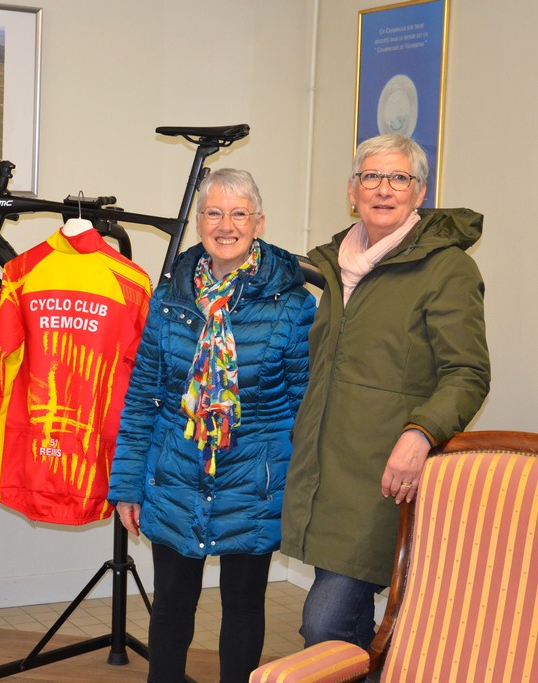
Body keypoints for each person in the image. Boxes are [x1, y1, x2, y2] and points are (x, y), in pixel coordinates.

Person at [280, 134, 491, 650]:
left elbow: (468, 373)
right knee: (347, 629)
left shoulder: (448, 268)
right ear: (352, 191)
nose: (384, 189)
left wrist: (420, 435)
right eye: (372, 176)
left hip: (385, 478)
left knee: (325, 623)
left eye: (399, 178)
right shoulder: (336, 266)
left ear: (419, 193)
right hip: (324, 471)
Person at [108, 168, 316, 682]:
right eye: (214, 213)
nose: (227, 225)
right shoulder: (169, 297)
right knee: (171, 608)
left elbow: (305, 406)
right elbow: (143, 398)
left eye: (239, 213)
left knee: (243, 606)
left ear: (259, 223)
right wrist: (128, 484)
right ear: (199, 222)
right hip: (176, 476)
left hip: (254, 484)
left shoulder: (293, 304)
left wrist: (298, 487)